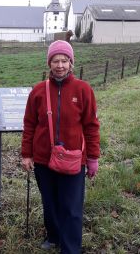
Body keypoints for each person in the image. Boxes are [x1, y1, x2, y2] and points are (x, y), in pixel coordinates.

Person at [21, 40, 100, 253]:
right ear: (49, 63)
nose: (60, 65)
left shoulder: (83, 90)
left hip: (74, 159)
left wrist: (92, 158)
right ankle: (54, 236)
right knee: (50, 202)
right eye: (55, 60)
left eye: (64, 60)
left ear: (71, 63)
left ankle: (70, 247)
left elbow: (92, 126)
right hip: (43, 159)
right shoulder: (38, 91)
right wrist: (26, 154)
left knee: (71, 207)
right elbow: (29, 124)